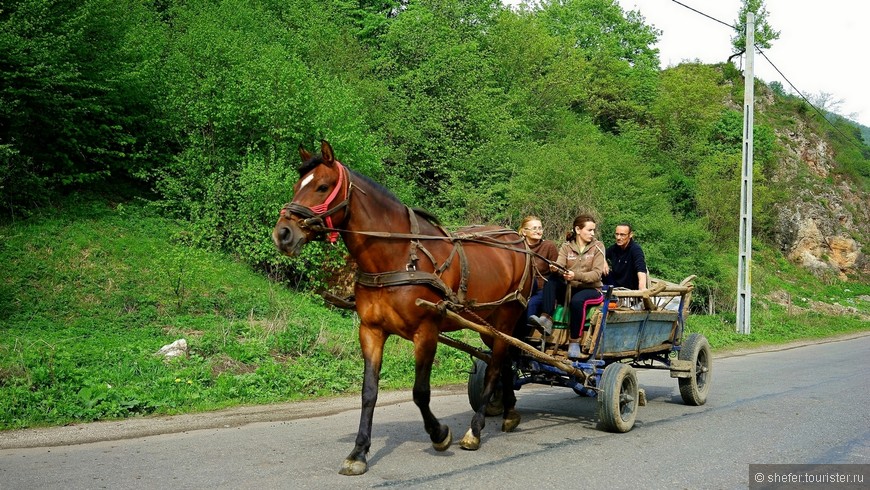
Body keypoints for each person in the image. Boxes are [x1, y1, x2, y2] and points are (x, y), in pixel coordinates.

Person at [529, 214, 606, 359]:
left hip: (591, 289)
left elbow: (596, 274)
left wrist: (575, 275)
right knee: (551, 280)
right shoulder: (566, 246)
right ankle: (546, 319)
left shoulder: (598, 247)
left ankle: (574, 342)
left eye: (593, 230)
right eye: (589, 230)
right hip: (571, 287)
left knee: (576, 301)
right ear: (578, 229)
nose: (592, 234)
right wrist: (555, 268)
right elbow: (560, 264)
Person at [517, 216, 558, 336]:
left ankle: (523, 341)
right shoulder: (518, 247)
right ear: (524, 232)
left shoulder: (549, 246)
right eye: (534, 228)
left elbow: (559, 270)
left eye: (540, 228)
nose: (538, 231)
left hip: (542, 288)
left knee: (531, 304)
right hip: (521, 288)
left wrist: (555, 269)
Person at [604, 222, 648, 290]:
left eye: (622, 235)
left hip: (630, 288)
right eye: (617, 234)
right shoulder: (614, 248)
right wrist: (604, 261)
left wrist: (642, 287)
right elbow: (601, 254)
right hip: (615, 284)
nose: (618, 238)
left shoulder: (635, 249)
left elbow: (641, 268)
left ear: (630, 235)